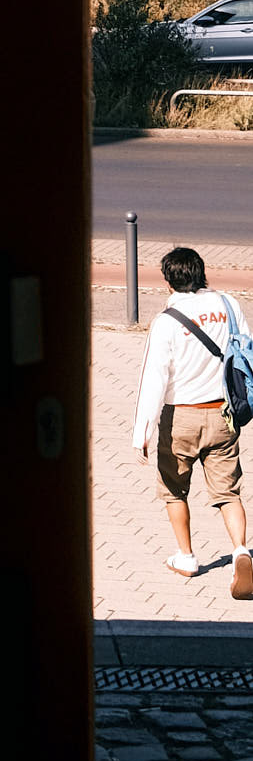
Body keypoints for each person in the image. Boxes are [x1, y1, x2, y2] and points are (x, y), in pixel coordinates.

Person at [132, 246, 253, 598]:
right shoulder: (229, 305)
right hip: (223, 413)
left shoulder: (166, 321)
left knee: (174, 489)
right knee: (228, 492)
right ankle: (241, 551)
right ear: (201, 273)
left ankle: (186, 557)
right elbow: (245, 352)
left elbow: (153, 380)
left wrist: (142, 433)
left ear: (168, 281)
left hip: (181, 418)